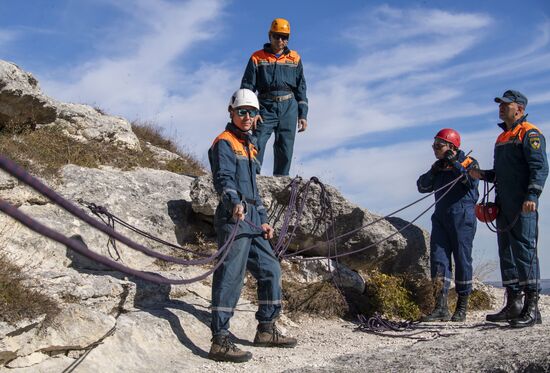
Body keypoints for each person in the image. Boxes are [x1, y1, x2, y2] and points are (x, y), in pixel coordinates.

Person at [207, 88, 297, 363]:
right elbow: (223, 178)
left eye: (252, 112)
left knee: (271, 269)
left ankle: (266, 329)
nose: (247, 117)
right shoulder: (224, 142)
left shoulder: (250, 145)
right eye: (242, 111)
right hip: (233, 216)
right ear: (231, 111)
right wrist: (234, 201)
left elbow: (254, 190)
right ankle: (220, 340)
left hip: (253, 219)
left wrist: (265, 220)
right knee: (231, 276)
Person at [470, 90, 548, 328]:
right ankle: (513, 305)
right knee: (507, 253)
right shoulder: (502, 137)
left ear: (520, 109)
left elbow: (540, 167)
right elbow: (500, 174)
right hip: (503, 202)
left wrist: (532, 194)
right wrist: (480, 174)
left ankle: (532, 309)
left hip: (523, 203)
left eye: (506, 104)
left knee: (524, 253)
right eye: (500, 105)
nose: (501, 108)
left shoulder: (530, 133)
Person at [417, 129, 479, 322]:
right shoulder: (438, 166)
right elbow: (422, 186)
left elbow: (470, 182)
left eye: (439, 145)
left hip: (462, 217)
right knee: (438, 261)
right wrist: (435, 170)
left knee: (462, 260)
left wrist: (455, 164)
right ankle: (440, 307)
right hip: (441, 219)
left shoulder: (469, 162)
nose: (435, 148)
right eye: (433, 145)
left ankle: (461, 306)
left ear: (451, 147)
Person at [240, 17, 308, 176]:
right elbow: (247, 88)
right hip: (265, 107)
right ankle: (251, 179)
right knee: (257, 142)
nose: (280, 40)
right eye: (276, 36)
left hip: (289, 107)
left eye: (284, 37)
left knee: (285, 147)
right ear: (269, 35)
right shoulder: (257, 57)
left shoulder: (295, 58)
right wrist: (252, 112)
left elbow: (301, 88)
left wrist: (303, 114)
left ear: (288, 39)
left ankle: (281, 180)